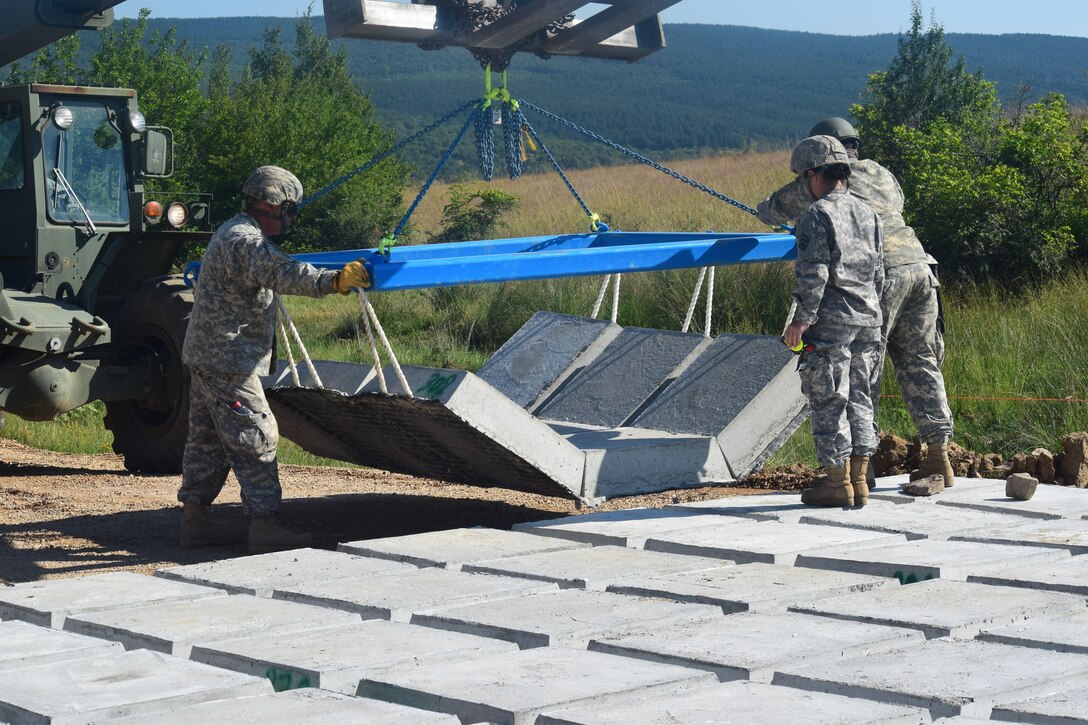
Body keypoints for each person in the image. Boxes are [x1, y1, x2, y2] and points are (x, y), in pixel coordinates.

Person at [177, 165, 370, 553]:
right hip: (228, 361)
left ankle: (195, 524)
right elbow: (282, 272)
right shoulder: (245, 241)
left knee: (208, 441)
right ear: (270, 205)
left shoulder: (232, 231)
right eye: (290, 209)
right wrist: (333, 281)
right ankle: (264, 526)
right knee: (256, 436)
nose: (292, 218)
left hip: (208, 356)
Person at [759, 117, 955, 489]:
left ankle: (859, 472)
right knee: (922, 364)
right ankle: (938, 457)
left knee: (864, 374)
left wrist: (763, 210)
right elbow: (897, 202)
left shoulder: (823, 180)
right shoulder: (881, 174)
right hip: (921, 268)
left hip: (878, 278)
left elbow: (775, 207)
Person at [782, 136, 884, 508]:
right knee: (861, 396)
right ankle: (859, 480)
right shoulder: (869, 213)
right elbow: (879, 272)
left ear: (813, 174)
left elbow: (814, 273)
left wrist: (801, 320)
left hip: (832, 320)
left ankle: (836, 481)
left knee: (828, 397)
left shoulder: (816, 214)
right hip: (869, 319)